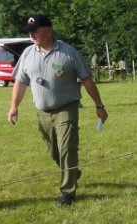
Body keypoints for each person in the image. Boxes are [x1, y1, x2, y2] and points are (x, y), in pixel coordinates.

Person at [7, 14, 108, 207]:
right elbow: (20, 82)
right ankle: (73, 172)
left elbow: (87, 80)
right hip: (42, 112)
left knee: (67, 149)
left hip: (66, 109)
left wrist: (99, 106)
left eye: (35, 31)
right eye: (29, 32)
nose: (31, 35)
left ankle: (67, 193)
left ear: (48, 30)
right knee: (54, 151)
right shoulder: (28, 54)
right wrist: (14, 107)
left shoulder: (68, 52)